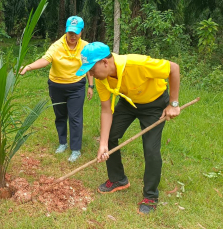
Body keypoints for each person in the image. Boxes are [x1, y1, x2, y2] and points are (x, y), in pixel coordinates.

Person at [76, 42, 180, 214]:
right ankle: (118, 179)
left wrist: (173, 104)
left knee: (151, 149)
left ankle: (150, 196)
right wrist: (103, 143)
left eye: (92, 69)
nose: (90, 74)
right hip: (129, 102)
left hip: (154, 104)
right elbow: (106, 110)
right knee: (109, 136)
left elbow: (173, 68)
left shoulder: (137, 64)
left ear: (105, 62)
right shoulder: (102, 79)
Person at [20, 16, 94, 162]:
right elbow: (45, 60)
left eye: (76, 33)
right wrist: (28, 67)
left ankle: (76, 149)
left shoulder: (86, 46)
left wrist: (90, 85)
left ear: (81, 32)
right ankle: (62, 143)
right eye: (70, 32)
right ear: (66, 31)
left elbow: (88, 67)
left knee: (75, 118)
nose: (73, 36)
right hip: (56, 86)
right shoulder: (57, 46)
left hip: (76, 86)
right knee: (60, 116)